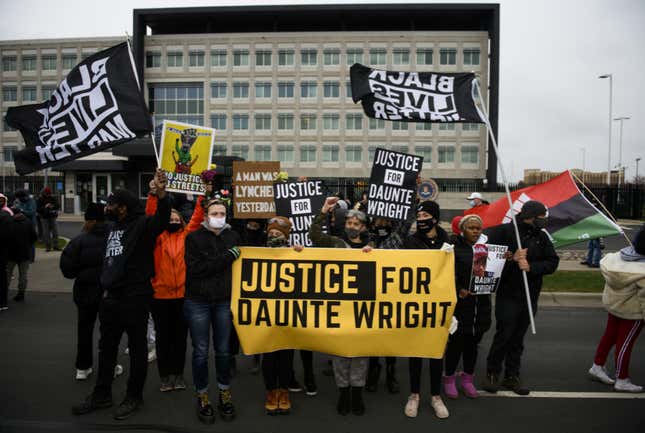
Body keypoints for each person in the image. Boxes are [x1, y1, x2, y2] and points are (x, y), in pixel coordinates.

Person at [72, 169, 170, 420]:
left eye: (112, 204)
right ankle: (101, 395)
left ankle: (133, 397)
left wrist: (161, 194)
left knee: (137, 350)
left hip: (135, 297)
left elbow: (162, 217)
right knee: (107, 348)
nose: (107, 207)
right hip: (111, 298)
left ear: (124, 207)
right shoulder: (113, 227)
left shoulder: (144, 225)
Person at [481, 200, 559, 395]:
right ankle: (492, 372)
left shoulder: (541, 237)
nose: (544, 222)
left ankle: (512, 375)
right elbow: (484, 257)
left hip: (530, 295)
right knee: (504, 334)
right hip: (508, 293)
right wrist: (511, 260)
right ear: (529, 217)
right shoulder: (504, 232)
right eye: (541, 218)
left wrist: (531, 267)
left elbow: (552, 261)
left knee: (518, 338)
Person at [309, 197, 373, 416]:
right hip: (339, 307)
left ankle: (357, 393)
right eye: (349, 223)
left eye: (356, 224)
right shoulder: (335, 243)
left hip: (363, 309)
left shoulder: (372, 247)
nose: (352, 226)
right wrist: (324, 210)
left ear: (363, 227)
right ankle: (343, 392)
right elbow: (314, 236)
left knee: (360, 354)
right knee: (340, 354)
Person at [184, 198, 241, 424]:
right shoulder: (193, 238)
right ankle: (203, 395)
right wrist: (227, 257)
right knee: (200, 351)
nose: (219, 216)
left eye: (222, 212)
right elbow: (197, 269)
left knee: (224, 350)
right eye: (215, 213)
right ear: (206, 216)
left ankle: (224, 391)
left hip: (224, 301)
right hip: (198, 300)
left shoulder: (233, 237)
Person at [145, 181, 206, 392]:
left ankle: (178, 375)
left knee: (180, 339)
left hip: (183, 296)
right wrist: (154, 195)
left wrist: (202, 195)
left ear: (181, 221)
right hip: (159, 296)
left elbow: (198, 217)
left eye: (175, 218)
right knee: (163, 339)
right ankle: (165, 376)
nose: (172, 219)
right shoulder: (156, 237)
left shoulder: (187, 236)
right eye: (168, 217)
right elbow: (152, 214)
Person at [61, 203, 123, 380]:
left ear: (91, 220)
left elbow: (67, 270)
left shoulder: (79, 241)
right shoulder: (116, 237)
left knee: (84, 330)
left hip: (85, 292)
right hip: (109, 292)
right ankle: (109, 366)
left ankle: (83, 367)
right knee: (109, 332)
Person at [402, 200, 451, 419]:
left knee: (436, 353)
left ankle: (435, 396)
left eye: (425, 216)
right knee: (415, 352)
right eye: (418, 216)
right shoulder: (411, 242)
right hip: (416, 303)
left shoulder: (448, 242)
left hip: (439, 306)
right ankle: (414, 395)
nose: (421, 220)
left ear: (435, 218)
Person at [588, 225, 645, 393]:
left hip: (614, 306)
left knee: (610, 337)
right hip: (632, 311)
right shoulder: (642, 270)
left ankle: (597, 365)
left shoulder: (618, 257)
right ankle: (622, 379)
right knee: (625, 344)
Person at [443, 215, 492, 399]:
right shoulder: (453, 249)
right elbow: (446, 274)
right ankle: (448, 378)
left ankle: (467, 379)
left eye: (478, 228)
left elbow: (492, 271)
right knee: (456, 345)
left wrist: (504, 259)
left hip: (481, 306)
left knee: (473, 346)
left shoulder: (487, 249)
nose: (475, 231)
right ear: (463, 229)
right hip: (461, 306)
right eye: (471, 228)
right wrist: (458, 290)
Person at [262, 216, 305, 414]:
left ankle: (284, 391)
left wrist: (300, 254)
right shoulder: (259, 252)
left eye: (278, 234)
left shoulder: (294, 252)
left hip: (288, 312)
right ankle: (271, 391)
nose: (274, 236)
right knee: (269, 355)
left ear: (286, 236)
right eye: (271, 233)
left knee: (286, 356)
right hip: (266, 312)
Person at [365, 215, 411, 394]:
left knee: (391, 335)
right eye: (378, 220)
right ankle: (373, 372)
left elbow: (407, 220)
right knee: (373, 335)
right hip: (371, 293)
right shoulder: (367, 237)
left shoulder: (397, 236)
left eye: (385, 220)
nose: (381, 223)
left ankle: (391, 373)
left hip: (392, 293)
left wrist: (412, 195)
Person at [6, 207, 37, 302]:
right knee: (23, 275)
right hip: (24, 252)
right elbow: (34, 237)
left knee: (7, 273)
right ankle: (21, 293)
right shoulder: (28, 222)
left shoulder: (9, 223)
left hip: (11, 253)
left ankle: (4, 291)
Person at [37, 187, 60, 251]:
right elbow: (38, 209)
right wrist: (45, 207)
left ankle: (56, 246)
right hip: (44, 217)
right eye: (47, 194)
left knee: (55, 232)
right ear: (44, 193)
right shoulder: (40, 199)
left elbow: (57, 205)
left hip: (52, 216)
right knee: (46, 232)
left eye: (49, 194)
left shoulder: (53, 198)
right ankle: (48, 247)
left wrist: (52, 206)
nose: (48, 195)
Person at [0, 203, 13, 311]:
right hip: (4, 251)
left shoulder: (4, 217)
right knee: (2, 276)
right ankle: (3, 302)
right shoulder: (7, 216)